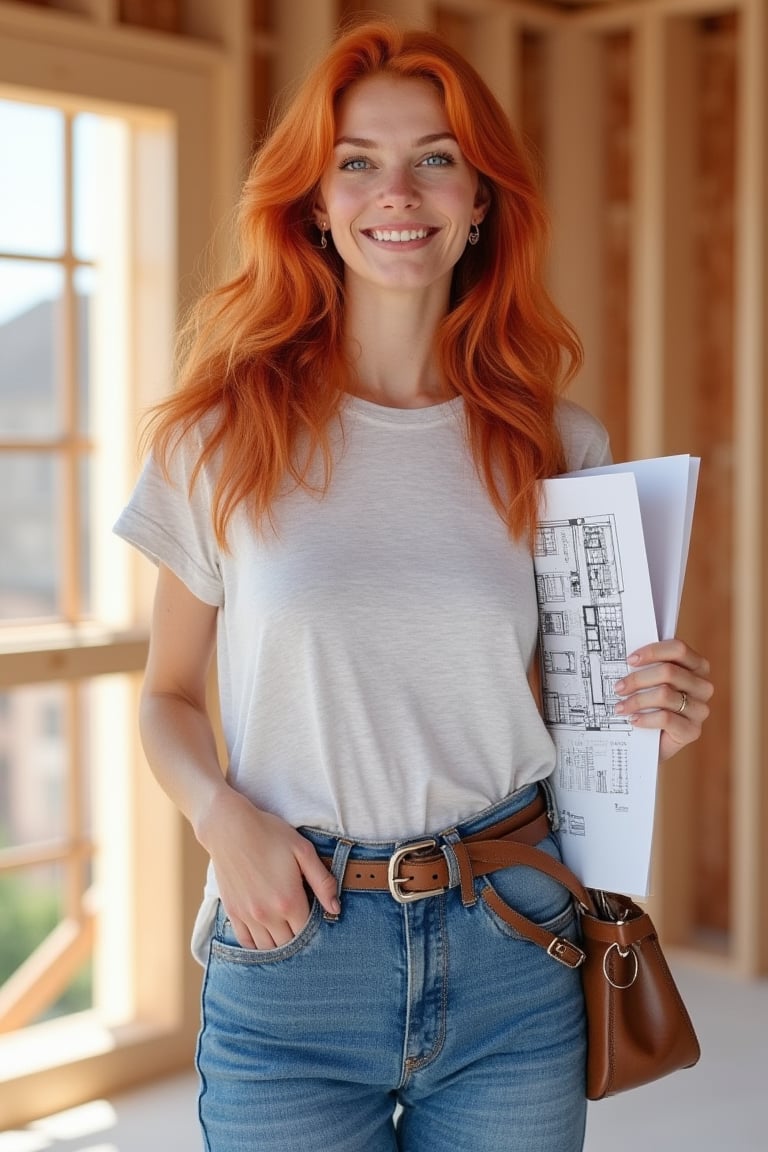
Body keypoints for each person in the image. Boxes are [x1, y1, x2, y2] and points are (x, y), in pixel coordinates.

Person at [114, 20, 713, 1152]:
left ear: (480, 198)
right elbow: (169, 698)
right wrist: (218, 815)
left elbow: (583, 711)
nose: (400, 190)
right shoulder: (218, 436)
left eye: (436, 156)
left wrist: (652, 715)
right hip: (294, 941)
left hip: (515, 936)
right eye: (358, 161)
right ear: (315, 203)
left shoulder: (555, 445)